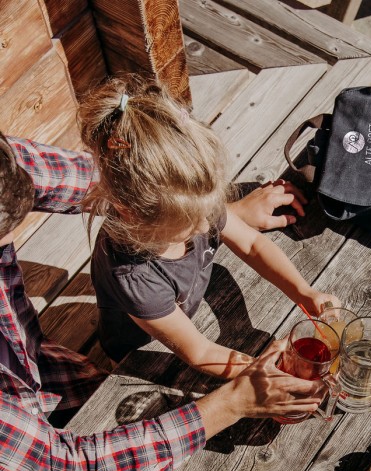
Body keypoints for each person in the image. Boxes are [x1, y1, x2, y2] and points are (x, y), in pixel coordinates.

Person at [0, 133, 322, 471]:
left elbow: (121, 179)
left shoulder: (8, 167)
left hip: (39, 368)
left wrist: (213, 212)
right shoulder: (134, 275)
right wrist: (233, 403)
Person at [78, 76, 339, 369]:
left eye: (210, 210)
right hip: (142, 353)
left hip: (181, 314)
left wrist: (304, 293)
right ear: (130, 213)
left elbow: (252, 244)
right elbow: (200, 353)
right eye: (189, 225)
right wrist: (264, 371)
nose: (206, 226)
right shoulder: (134, 276)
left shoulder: (190, 202)